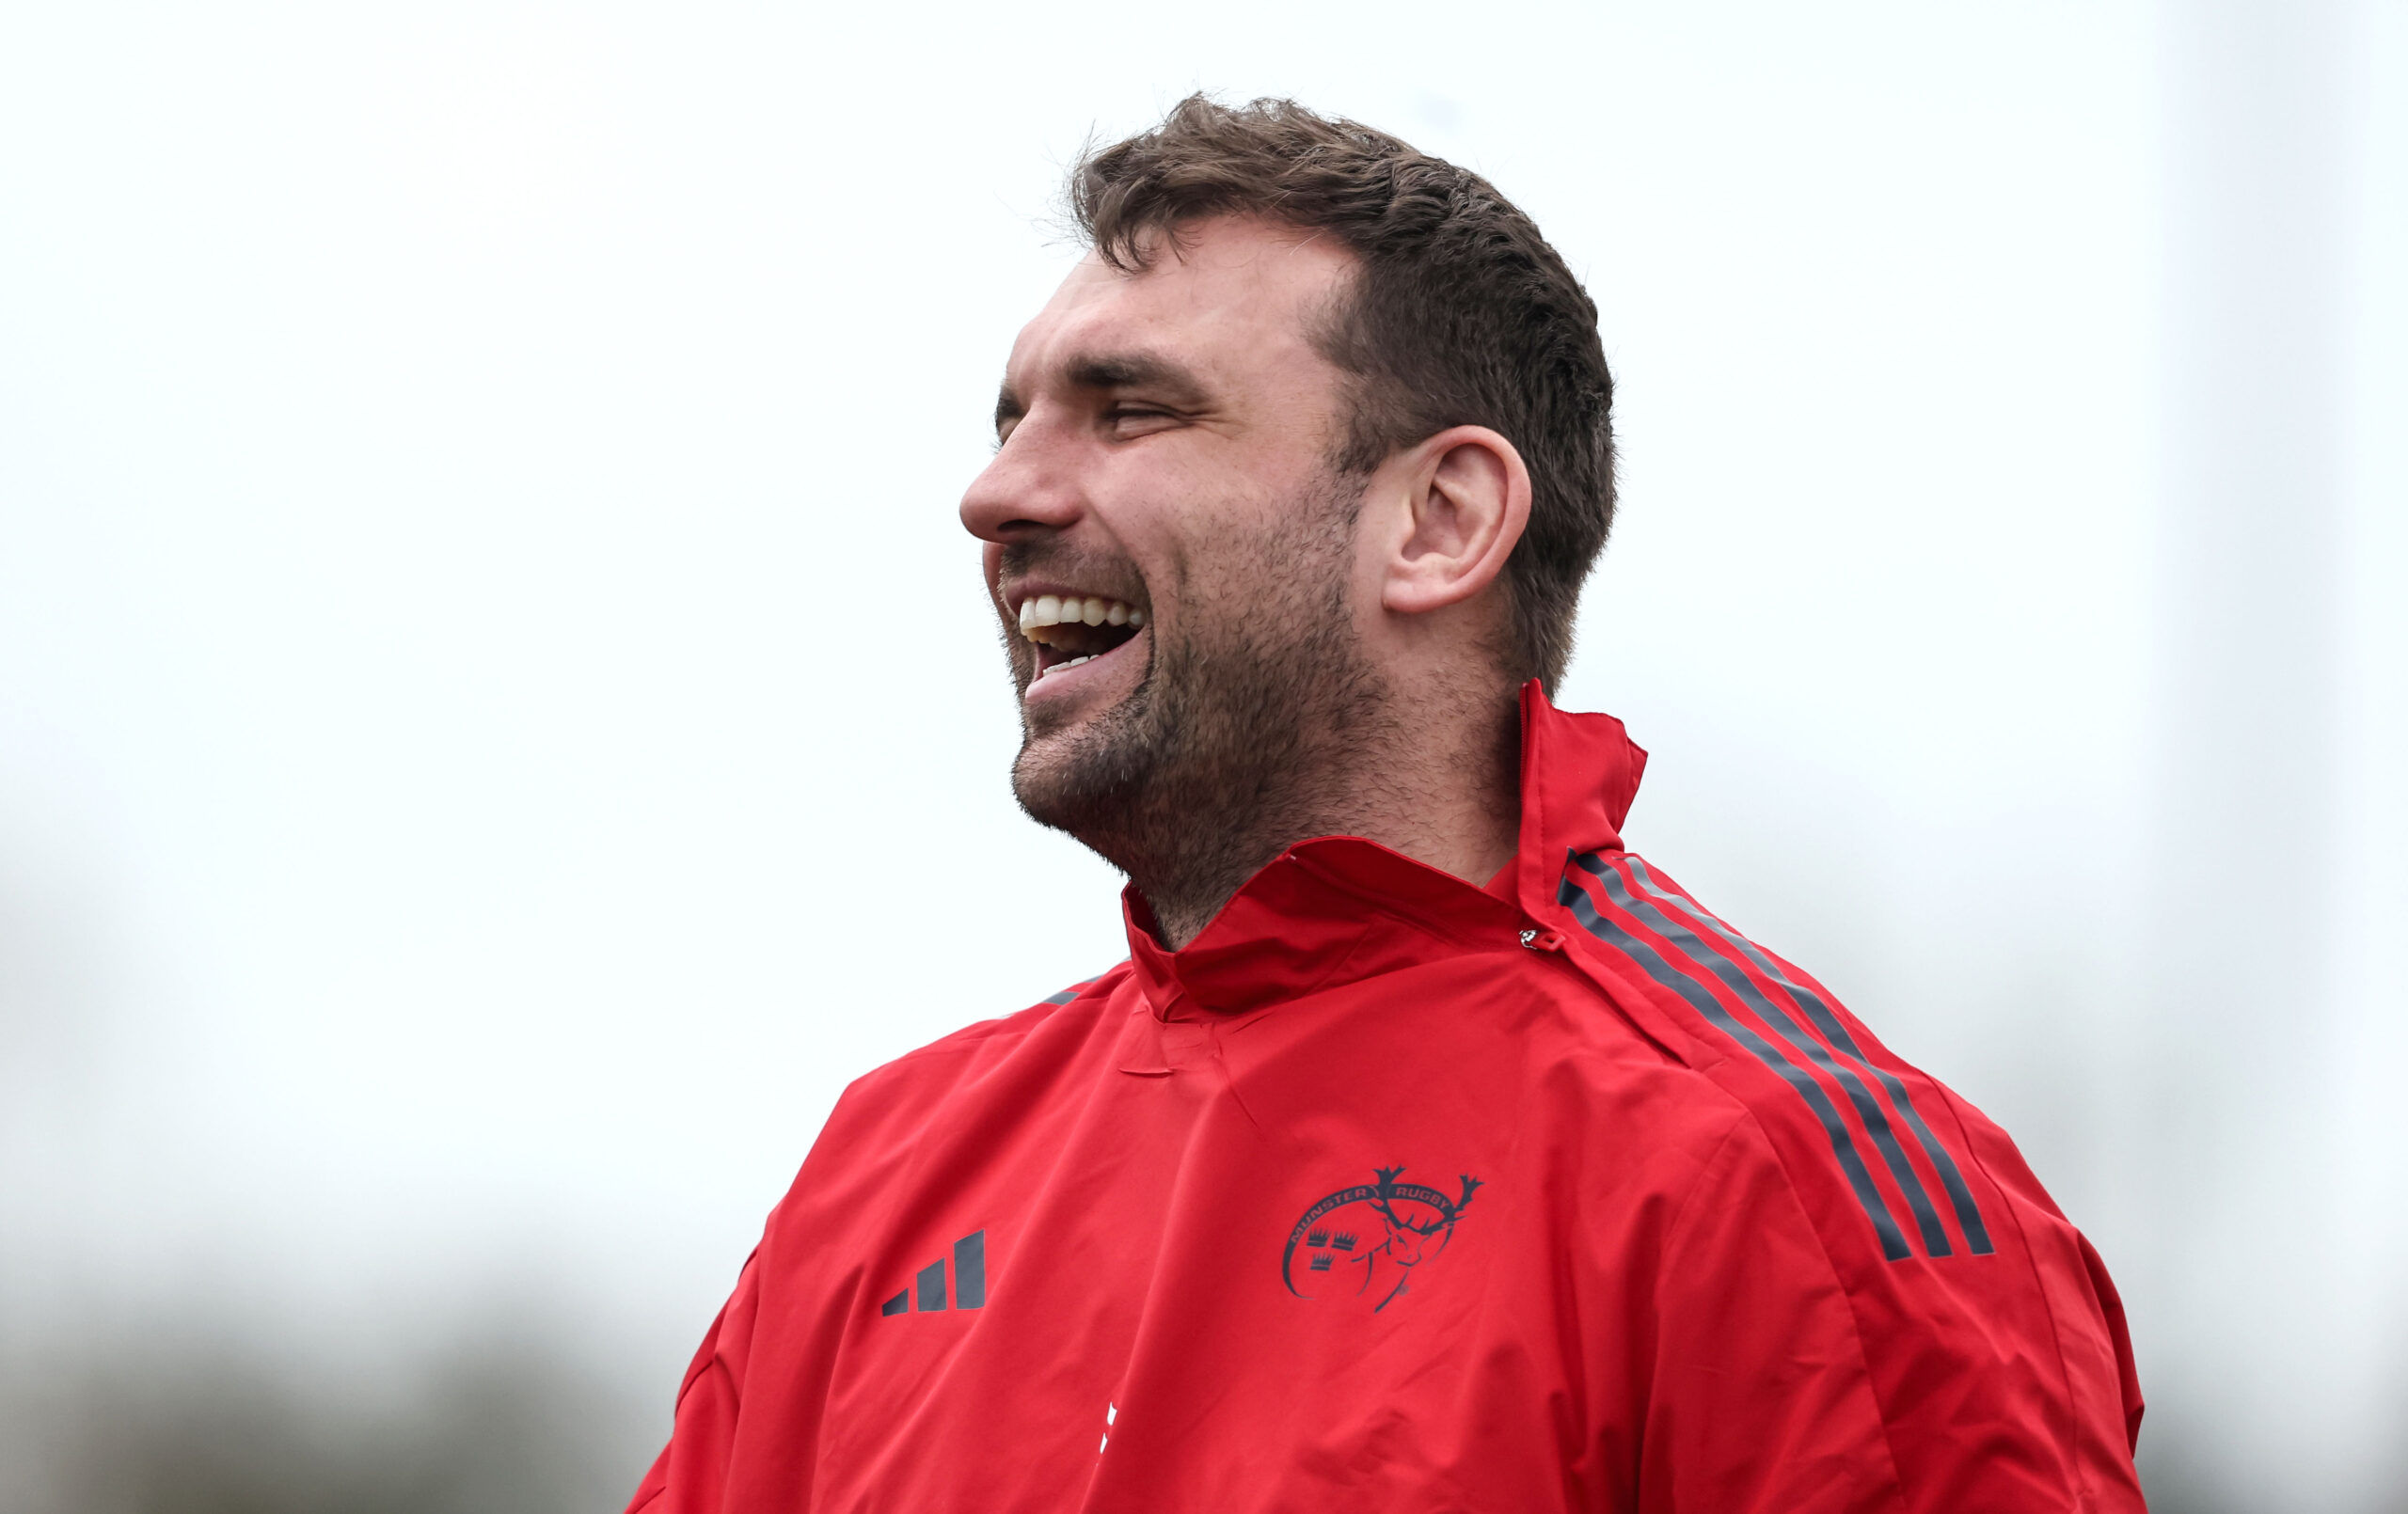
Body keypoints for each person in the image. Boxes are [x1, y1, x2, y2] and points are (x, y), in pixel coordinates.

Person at [626, 96, 2147, 1513]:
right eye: (1009, 421)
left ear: (1439, 521)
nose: (998, 495)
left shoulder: (1783, 1182)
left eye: (1130, 411)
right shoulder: (886, 1174)